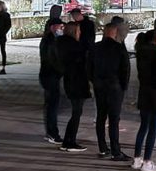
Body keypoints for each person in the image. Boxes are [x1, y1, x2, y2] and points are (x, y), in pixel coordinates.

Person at [90, 22, 131, 161]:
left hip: (99, 86)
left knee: (101, 117)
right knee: (114, 119)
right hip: (114, 87)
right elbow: (125, 70)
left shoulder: (95, 47)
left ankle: (102, 147)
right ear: (114, 33)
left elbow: (88, 67)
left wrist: (94, 81)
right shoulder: (119, 48)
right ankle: (115, 150)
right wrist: (123, 86)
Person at [132, 30, 156, 171]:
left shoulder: (141, 52)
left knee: (143, 126)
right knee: (153, 129)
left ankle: (136, 159)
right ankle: (147, 161)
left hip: (144, 91)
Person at [57, 22, 91, 152]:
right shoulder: (75, 47)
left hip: (70, 81)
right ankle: (70, 141)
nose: (80, 33)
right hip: (76, 82)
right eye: (78, 31)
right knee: (77, 112)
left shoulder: (62, 44)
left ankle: (68, 140)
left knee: (76, 112)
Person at [40, 18, 64, 144]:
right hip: (50, 76)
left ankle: (51, 132)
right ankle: (52, 133)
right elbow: (52, 60)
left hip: (49, 75)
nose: (61, 29)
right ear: (52, 27)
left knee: (51, 105)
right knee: (52, 106)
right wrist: (62, 70)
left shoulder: (50, 40)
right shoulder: (49, 41)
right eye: (59, 27)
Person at [0, 0, 12, 74]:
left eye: (0, 6)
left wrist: (3, 33)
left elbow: (8, 25)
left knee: (3, 51)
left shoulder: (6, 15)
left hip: (2, 36)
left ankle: (3, 68)